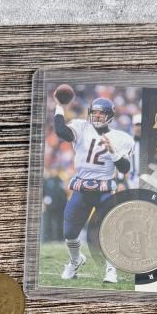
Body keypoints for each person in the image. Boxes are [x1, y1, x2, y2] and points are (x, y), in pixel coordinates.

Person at [52, 91, 135, 282]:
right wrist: (60, 106)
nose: (97, 116)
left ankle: (111, 269)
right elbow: (61, 132)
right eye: (94, 112)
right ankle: (75, 260)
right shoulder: (81, 126)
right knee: (69, 232)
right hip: (81, 188)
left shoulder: (121, 137)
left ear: (110, 116)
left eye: (101, 113)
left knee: (107, 231)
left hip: (104, 190)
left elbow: (125, 168)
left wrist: (113, 152)